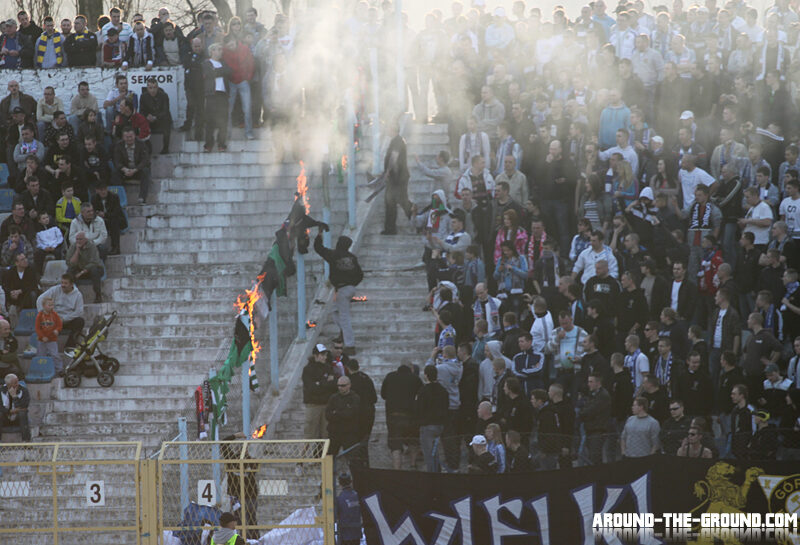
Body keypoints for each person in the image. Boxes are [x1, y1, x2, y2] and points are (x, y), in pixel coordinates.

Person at [314, 232, 362, 354]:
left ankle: (350, 346)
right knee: (334, 311)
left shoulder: (334, 255)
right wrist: (351, 283)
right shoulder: (352, 257)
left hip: (342, 289)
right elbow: (360, 275)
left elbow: (318, 249)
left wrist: (319, 236)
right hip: (349, 289)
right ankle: (345, 333)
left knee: (344, 317)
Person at [381, 360, 422, 470]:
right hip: (411, 417)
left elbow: (383, 395)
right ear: (411, 369)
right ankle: (413, 464)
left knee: (396, 446)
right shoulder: (415, 379)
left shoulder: (390, 377)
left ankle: (397, 469)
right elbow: (421, 396)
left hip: (393, 417)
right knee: (413, 441)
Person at [416, 365, 449, 473]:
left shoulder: (423, 391)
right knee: (436, 453)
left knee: (429, 455)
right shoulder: (443, 390)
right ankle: (437, 471)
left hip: (428, 425)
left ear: (426, 375)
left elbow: (420, 408)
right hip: (440, 424)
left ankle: (432, 475)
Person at [382, 119, 412, 235]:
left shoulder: (397, 141)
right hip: (397, 177)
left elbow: (394, 156)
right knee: (391, 201)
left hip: (398, 177)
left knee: (401, 201)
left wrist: (388, 171)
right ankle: (390, 228)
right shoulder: (396, 141)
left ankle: (418, 220)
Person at [301, 344, 336, 442]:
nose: (325, 357)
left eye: (325, 355)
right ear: (315, 355)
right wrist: (325, 382)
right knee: (310, 434)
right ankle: (304, 457)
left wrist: (320, 383)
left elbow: (333, 384)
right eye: (322, 355)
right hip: (313, 405)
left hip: (326, 405)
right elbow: (312, 388)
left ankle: (323, 456)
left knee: (326, 434)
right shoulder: (308, 369)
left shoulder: (328, 367)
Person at [112, 126, 152, 205]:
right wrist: (124, 169)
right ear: (123, 137)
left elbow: (145, 161)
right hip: (125, 171)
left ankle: (142, 198)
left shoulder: (141, 144)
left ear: (134, 136)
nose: (129, 139)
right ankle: (119, 197)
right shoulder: (118, 146)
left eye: (131, 136)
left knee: (146, 171)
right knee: (115, 173)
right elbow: (116, 161)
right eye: (127, 137)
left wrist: (135, 170)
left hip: (137, 170)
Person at [202, 42, 230, 152]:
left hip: (223, 94)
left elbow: (229, 72)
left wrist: (217, 71)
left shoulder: (223, 63)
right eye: (217, 49)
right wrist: (220, 72)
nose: (220, 52)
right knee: (210, 121)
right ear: (212, 51)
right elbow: (209, 74)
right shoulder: (206, 63)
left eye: (221, 49)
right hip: (211, 94)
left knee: (223, 121)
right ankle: (208, 144)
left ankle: (221, 144)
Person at [326, 375, 362, 457]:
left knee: (352, 457)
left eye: (343, 385)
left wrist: (336, 412)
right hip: (334, 432)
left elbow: (350, 414)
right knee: (330, 457)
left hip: (349, 433)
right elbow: (328, 415)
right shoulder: (333, 398)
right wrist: (342, 413)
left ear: (349, 385)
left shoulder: (355, 398)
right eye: (338, 385)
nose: (340, 388)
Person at [65, 232, 104, 303]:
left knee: (94, 270)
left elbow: (94, 262)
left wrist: (82, 272)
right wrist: (77, 251)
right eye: (77, 239)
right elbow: (69, 263)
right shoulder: (73, 247)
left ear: (86, 239)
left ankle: (98, 295)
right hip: (79, 268)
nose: (78, 241)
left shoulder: (92, 246)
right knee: (69, 271)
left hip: (91, 269)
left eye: (80, 239)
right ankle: (72, 296)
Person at [139, 79, 172, 154]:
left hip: (160, 119)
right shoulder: (143, 96)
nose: (153, 90)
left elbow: (165, 111)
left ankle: (165, 148)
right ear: (147, 88)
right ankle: (146, 147)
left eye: (154, 87)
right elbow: (141, 110)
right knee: (141, 121)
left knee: (167, 120)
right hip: (149, 119)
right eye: (150, 88)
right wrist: (147, 116)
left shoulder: (164, 95)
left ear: (157, 87)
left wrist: (156, 117)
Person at [0, 374, 30, 441]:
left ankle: (26, 442)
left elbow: (24, 406)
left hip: (18, 417)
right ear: (8, 384)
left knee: (23, 413)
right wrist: (9, 411)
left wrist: (14, 396)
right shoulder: (1, 391)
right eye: (15, 383)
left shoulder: (24, 390)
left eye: (18, 381)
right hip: (5, 417)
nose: (17, 384)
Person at [335, 474, 362, 545]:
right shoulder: (357, 496)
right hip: (356, 532)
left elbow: (335, 515)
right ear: (351, 482)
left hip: (345, 533)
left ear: (340, 483)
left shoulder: (340, 498)